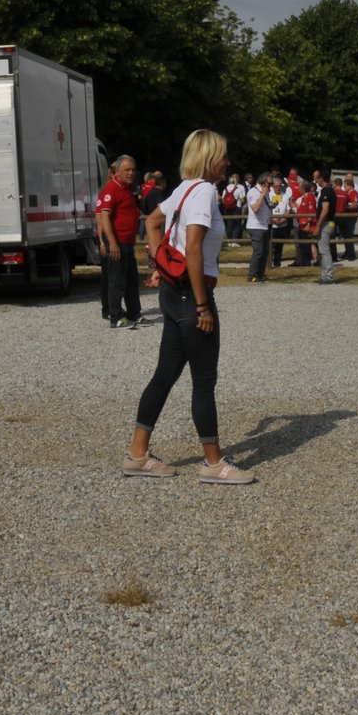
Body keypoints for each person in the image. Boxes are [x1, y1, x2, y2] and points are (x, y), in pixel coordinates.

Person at [125, 129, 254, 485]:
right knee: (204, 381)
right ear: (210, 159)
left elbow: (152, 221)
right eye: (223, 156)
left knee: (165, 375)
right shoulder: (206, 193)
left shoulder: (184, 188)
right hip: (189, 295)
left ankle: (138, 454)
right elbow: (194, 250)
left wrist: (158, 263)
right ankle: (213, 463)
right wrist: (201, 306)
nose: (227, 162)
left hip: (171, 291)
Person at [97, 154, 144, 329]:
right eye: (127, 170)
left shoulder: (126, 189)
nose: (131, 173)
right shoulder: (111, 190)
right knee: (116, 280)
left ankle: (134, 313)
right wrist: (111, 243)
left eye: (133, 169)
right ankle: (115, 316)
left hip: (127, 242)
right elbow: (104, 218)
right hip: (117, 243)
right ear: (117, 172)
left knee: (131, 280)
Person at [245, 172, 275, 282]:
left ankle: (260, 274)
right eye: (269, 184)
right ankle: (251, 275)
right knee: (258, 251)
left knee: (265, 251)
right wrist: (262, 194)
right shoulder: (253, 192)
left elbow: (266, 207)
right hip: (255, 226)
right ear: (262, 182)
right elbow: (256, 209)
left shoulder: (266, 192)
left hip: (265, 225)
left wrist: (273, 204)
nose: (271, 186)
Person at [315, 172, 338, 284]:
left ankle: (328, 276)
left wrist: (318, 225)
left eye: (316, 178)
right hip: (329, 223)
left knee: (324, 250)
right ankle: (324, 275)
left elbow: (325, 209)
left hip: (326, 223)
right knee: (323, 249)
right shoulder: (331, 190)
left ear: (322, 178)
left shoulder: (326, 191)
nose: (315, 181)